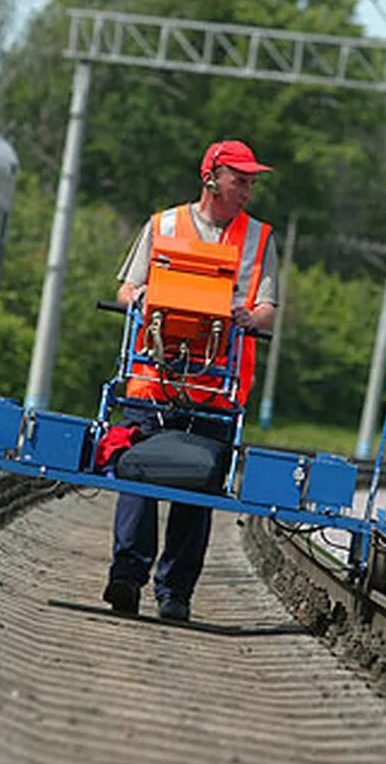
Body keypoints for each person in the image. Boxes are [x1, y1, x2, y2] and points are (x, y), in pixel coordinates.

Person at [101, 139, 279, 621]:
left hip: (216, 389)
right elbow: (126, 288)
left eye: (251, 182)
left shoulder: (260, 238)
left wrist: (249, 315)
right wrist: (137, 297)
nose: (247, 189)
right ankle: (126, 577)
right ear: (211, 178)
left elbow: (266, 311)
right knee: (137, 474)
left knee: (197, 488)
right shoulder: (163, 225)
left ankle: (175, 593)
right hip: (153, 378)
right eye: (239, 179)